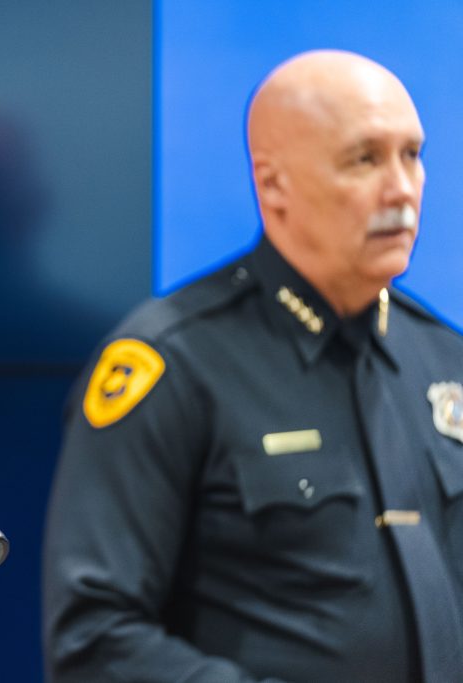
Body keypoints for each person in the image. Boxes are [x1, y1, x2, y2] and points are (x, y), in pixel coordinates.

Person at [43, 50, 463, 682]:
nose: (402, 188)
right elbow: (94, 641)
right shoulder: (171, 365)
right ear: (273, 184)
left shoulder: (442, 355)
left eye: (413, 154)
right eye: (365, 158)